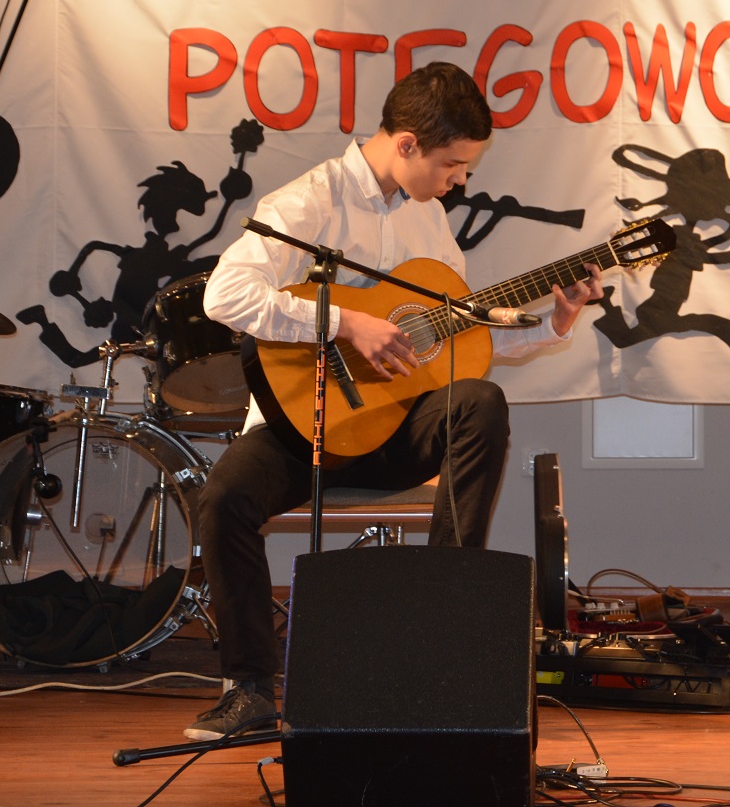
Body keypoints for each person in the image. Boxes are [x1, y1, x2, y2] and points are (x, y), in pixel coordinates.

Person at [185, 62, 601, 740]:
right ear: (407, 143)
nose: (459, 180)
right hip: (304, 426)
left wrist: (556, 320)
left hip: (397, 428)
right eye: (452, 164)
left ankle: (441, 627)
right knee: (223, 498)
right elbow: (224, 296)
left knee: (480, 400)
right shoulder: (307, 202)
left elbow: (461, 341)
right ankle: (250, 689)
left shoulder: (429, 220)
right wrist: (345, 323)